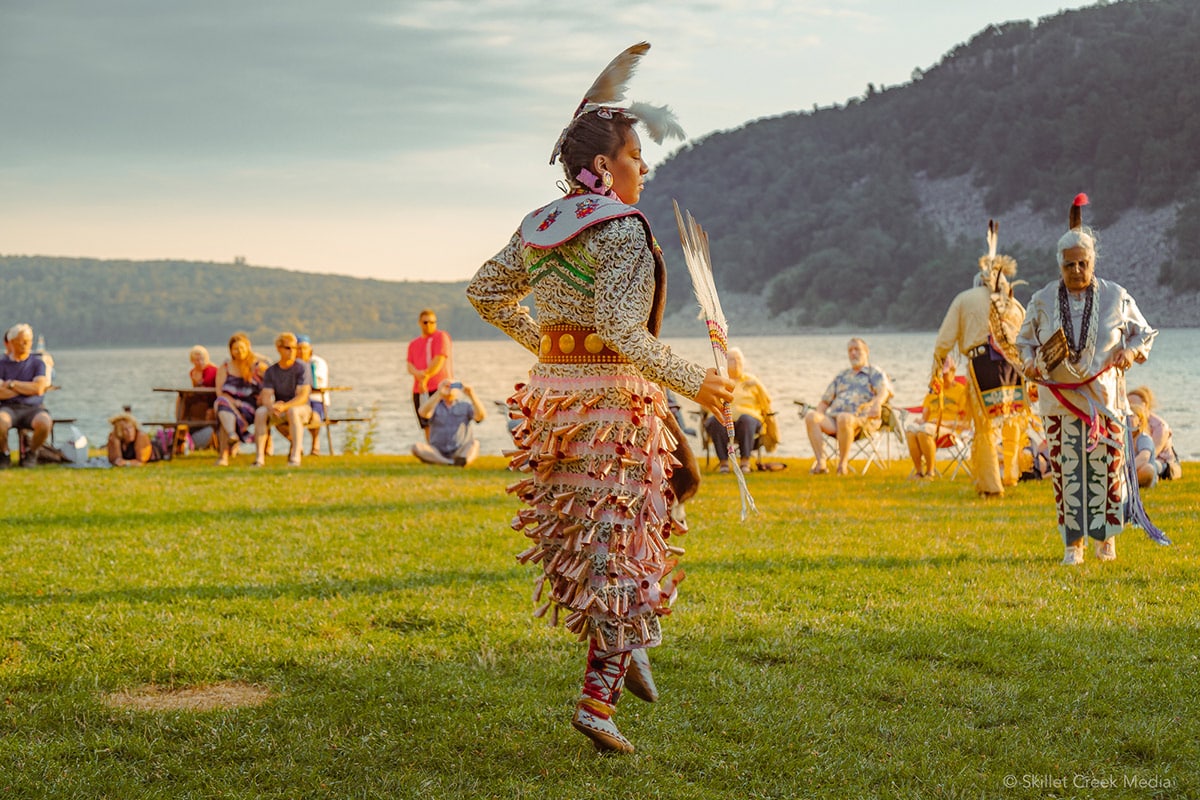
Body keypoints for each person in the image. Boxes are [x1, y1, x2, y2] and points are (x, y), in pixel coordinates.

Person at [466, 42, 734, 755]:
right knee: (621, 535)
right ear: (606, 168)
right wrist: (694, 380)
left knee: (616, 524)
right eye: (636, 156)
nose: (643, 167)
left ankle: (632, 638)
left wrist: (551, 350)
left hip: (554, 403)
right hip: (612, 405)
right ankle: (598, 696)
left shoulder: (543, 226)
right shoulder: (618, 227)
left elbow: (486, 292)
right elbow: (618, 328)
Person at [1017, 194, 1158, 565]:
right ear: (1059, 266)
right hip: (1059, 406)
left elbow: (1144, 333)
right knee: (1067, 475)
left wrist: (1129, 352)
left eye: (1083, 263)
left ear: (1093, 261)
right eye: (1069, 265)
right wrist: (1030, 362)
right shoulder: (1043, 299)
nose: (1077, 270)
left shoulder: (1116, 296)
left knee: (1106, 472)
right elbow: (1024, 341)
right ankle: (1072, 546)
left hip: (1104, 403)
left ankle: (1105, 542)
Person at [931, 220, 1030, 496]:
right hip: (1015, 368)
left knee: (986, 428)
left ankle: (990, 484)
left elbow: (944, 341)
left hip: (983, 365)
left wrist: (937, 367)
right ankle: (1011, 474)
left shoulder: (965, 298)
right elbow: (1028, 341)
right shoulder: (1016, 305)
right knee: (1012, 421)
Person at [803, 337, 893, 475]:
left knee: (844, 418)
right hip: (835, 420)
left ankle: (842, 465)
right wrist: (819, 413)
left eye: (857, 349)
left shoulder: (874, 373)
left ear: (866, 352)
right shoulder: (842, 376)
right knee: (811, 417)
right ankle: (821, 464)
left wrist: (877, 404)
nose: (853, 353)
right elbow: (825, 401)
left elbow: (884, 391)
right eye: (850, 350)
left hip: (862, 420)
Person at [703, 347, 772, 474]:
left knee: (746, 420)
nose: (736, 363)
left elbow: (767, 402)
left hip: (749, 420)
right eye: (732, 360)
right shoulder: (719, 380)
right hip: (724, 419)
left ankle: (745, 462)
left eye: (738, 360)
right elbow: (706, 404)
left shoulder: (752, 381)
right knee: (716, 420)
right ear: (724, 363)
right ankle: (724, 463)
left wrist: (757, 384)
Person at [904, 356, 970, 479]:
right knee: (911, 430)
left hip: (951, 431)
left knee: (924, 431)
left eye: (945, 373)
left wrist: (944, 423)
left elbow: (967, 423)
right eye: (939, 373)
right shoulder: (932, 392)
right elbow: (925, 417)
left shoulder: (961, 392)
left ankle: (930, 472)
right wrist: (920, 421)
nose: (942, 377)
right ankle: (919, 472)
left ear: (953, 371)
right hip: (930, 427)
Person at [254, 332, 312, 468]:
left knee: (293, 411)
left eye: (294, 348)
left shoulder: (302, 368)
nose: (292, 351)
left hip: (300, 408)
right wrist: (271, 407)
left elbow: (303, 396)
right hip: (279, 408)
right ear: (279, 348)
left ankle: (295, 456)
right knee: (261, 413)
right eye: (288, 348)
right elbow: (266, 395)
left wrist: (285, 407)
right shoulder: (271, 371)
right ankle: (259, 458)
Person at [0, 323, 53, 468]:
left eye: (28, 341)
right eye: (22, 341)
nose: (26, 344)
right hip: (8, 408)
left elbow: (39, 389)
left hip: (33, 408)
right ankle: (4, 453)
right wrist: (27, 387)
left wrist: (12, 384)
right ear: (11, 342)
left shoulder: (38, 363)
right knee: (0, 422)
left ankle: (32, 453)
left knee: (44, 422)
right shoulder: (1, 364)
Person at [213, 332, 269, 466]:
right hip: (228, 404)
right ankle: (232, 437)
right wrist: (234, 403)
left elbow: (270, 384)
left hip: (250, 407)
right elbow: (220, 392)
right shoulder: (225, 367)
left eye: (242, 348)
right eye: (235, 349)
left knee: (222, 409)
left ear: (248, 348)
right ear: (231, 350)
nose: (239, 352)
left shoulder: (257, 367)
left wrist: (264, 396)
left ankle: (227, 448)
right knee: (222, 404)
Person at [411, 380, 486, 466]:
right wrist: (439, 394)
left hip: (460, 450)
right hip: (437, 451)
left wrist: (471, 395)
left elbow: (481, 416)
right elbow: (423, 413)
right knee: (416, 447)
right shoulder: (434, 405)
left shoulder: (465, 406)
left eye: (453, 386)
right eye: (446, 386)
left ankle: (463, 460)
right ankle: (448, 462)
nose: (449, 389)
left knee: (475, 444)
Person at [407, 309, 452, 440]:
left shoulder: (441, 337)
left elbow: (439, 360)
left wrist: (425, 377)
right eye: (425, 322)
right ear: (420, 323)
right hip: (420, 389)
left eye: (432, 322)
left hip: (440, 388)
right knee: (425, 423)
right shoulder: (413, 344)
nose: (429, 325)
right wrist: (419, 376)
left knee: (443, 422)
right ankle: (431, 451)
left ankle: (446, 451)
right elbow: (410, 365)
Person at [1127, 385, 1181, 481]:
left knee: (1152, 466)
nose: (1130, 408)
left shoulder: (1160, 426)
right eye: (1128, 405)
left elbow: (1153, 452)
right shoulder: (1129, 424)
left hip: (1164, 462)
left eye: (1134, 404)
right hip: (1140, 459)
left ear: (1145, 405)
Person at [178, 344, 218, 450]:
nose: (200, 362)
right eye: (196, 360)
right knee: (181, 397)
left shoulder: (211, 370)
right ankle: (180, 423)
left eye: (201, 359)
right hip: (200, 399)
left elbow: (206, 387)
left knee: (187, 400)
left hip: (211, 400)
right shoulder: (192, 372)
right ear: (192, 360)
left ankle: (182, 424)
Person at [296, 334, 329, 456]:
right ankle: (296, 444)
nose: (301, 351)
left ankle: (315, 444)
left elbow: (315, 383)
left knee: (314, 417)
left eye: (304, 348)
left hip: (316, 399)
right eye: (298, 348)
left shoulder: (317, 363)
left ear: (310, 348)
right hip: (297, 399)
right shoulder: (291, 364)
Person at [1129, 402, 1158, 489]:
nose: (1127, 418)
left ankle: (1130, 482)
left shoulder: (1143, 438)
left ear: (1140, 421)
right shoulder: (1125, 439)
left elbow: (1144, 457)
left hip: (1136, 470)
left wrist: (1128, 468)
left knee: (1148, 469)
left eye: (1131, 416)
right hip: (1130, 472)